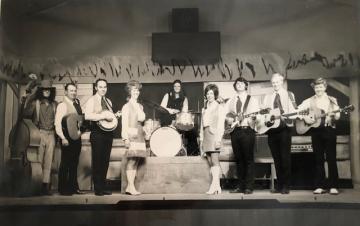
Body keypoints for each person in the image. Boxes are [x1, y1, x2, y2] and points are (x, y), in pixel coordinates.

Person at [298, 78, 340, 195]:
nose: (319, 89)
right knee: (318, 159)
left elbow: (338, 117)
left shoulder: (332, 100)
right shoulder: (308, 101)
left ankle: (333, 186)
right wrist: (305, 118)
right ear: (314, 88)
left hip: (329, 130)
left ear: (325, 87)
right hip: (316, 131)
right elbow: (297, 111)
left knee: (331, 158)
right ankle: (320, 186)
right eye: (316, 87)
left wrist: (334, 115)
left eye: (321, 87)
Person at [262, 73, 297, 194]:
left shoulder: (289, 95)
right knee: (276, 158)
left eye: (277, 82)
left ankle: (286, 186)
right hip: (272, 130)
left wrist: (284, 116)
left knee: (285, 158)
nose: (275, 84)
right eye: (273, 83)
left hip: (284, 129)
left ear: (282, 82)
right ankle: (279, 185)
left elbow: (295, 112)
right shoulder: (268, 97)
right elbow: (265, 113)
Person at [226, 77, 260, 194]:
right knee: (239, 159)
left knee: (248, 159)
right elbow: (227, 115)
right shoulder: (231, 100)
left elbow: (257, 115)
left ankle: (249, 186)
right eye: (237, 83)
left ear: (246, 85)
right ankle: (240, 186)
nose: (239, 85)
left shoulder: (253, 100)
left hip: (247, 130)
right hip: (235, 131)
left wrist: (254, 117)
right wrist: (230, 120)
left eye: (242, 83)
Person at [23, 79, 57, 195]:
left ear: (51, 91)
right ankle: (36, 186)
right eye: (44, 89)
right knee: (38, 161)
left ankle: (45, 187)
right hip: (39, 134)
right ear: (41, 91)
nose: (46, 91)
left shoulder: (54, 104)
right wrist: (28, 95)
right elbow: (25, 115)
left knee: (48, 162)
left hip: (51, 134)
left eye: (49, 90)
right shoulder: (35, 103)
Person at [84, 79, 114, 196]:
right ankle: (98, 188)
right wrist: (103, 116)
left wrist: (114, 116)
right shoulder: (91, 100)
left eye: (105, 87)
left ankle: (103, 186)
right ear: (96, 88)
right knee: (97, 161)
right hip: (97, 133)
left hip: (108, 134)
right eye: (100, 87)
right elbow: (87, 115)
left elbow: (110, 116)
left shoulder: (108, 101)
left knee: (105, 161)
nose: (103, 89)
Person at [54, 83, 85, 196]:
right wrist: (63, 138)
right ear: (66, 92)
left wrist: (80, 132)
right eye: (71, 90)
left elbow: (81, 121)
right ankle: (63, 189)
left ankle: (73, 187)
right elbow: (57, 124)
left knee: (74, 164)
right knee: (65, 163)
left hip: (77, 137)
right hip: (67, 138)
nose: (73, 92)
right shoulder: (62, 105)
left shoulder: (77, 104)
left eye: (75, 90)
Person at [160, 80, 200, 156]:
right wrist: (171, 110)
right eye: (175, 86)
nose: (177, 87)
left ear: (181, 87)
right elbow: (161, 108)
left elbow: (185, 110)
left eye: (178, 86)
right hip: (168, 120)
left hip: (179, 121)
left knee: (193, 132)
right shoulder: (167, 95)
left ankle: (192, 153)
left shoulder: (184, 98)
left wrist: (181, 113)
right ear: (173, 87)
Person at [121, 80, 147, 195]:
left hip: (140, 135)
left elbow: (141, 121)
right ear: (129, 92)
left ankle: (129, 187)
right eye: (134, 90)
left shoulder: (140, 106)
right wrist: (125, 138)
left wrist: (146, 130)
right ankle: (130, 187)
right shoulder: (126, 106)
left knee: (136, 160)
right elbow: (124, 124)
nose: (136, 92)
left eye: (137, 90)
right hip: (132, 135)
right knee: (131, 160)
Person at [200, 84, 225, 195]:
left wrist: (218, 139)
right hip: (206, 135)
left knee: (215, 161)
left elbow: (221, 125)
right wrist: (201, 139)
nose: (209, 95)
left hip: (214, 134)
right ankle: (217, 187)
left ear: (215, 95)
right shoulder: (204, 108)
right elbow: (202, 125)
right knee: (210, 161)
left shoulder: (219, 107)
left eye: (211, 93)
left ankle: (213, 186)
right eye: (208, 93)